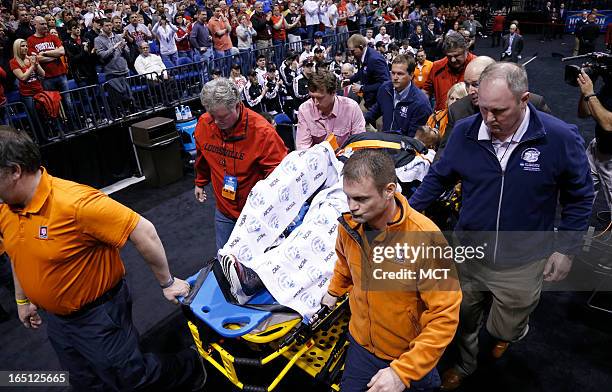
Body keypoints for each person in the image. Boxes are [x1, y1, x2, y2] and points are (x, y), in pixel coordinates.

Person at [409, 63, 594, 391]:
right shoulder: (466, 131)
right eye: (483, 109)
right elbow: (439, 177)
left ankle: (509, 332)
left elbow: (580, 198)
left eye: (498, 111)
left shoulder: (560, 138)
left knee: (504, 329)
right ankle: (466, 366)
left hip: (523, 260)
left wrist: (566, 249)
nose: (489, 119)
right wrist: (407, 214)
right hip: (469, 252)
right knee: (462, 320)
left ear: (524, 100)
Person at [0, 126, 206, 391]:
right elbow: (19, 254)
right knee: (84, 381)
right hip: (58, 321)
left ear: (15, 171)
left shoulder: (75, 203)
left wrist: (167, 283)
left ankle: (191, 364)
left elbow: (143, 230)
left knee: (131, 378)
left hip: (98, 315)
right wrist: (22, 299)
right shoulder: (6, 209)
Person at [321, 148, 462, 392]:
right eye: (348, 197)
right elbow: (344, 263)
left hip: (408, 352)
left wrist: (402, 371)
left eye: (361, 199)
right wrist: (334, 290)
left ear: (389, 191)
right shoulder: (349, 226)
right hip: (361, 346)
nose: (352, 207)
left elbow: (444, 315)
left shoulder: (425, 238)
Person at [194, 78, 287, 250]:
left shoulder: (262, 131)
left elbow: (280, 175)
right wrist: (200, 182)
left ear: (237, 105)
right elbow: (202, 157)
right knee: (226, 261)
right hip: (224, 210)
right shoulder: (204, 123)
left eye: (221, 117)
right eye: (211, 115)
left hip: (258, 213)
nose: (215, 122)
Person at [438, 57, 551, 158]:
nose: (470, 91)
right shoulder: (458, 110)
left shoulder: (533, 103)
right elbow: (444, 155)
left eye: (476, 84)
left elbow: (552, 142)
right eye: (467, 84)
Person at [365, 55, 432, 137]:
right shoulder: (385, 89)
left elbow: (413, 140)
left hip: (403, 147)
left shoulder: (421, 103)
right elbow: (375, 110)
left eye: (400, 74)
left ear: (411, 75)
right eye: (393, 73)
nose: (395, 77)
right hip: (384, 141)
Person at [296, 69, 366, 149]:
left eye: (320, 98)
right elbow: (303, 149)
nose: (315, 103)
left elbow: (359, 145)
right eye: (312, 97)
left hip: (347, 159)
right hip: (316, 159)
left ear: (333, 92)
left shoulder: (352, 108)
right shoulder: (305, 110)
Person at [578, 69, 612, 220]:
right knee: (580, 195)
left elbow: (608, 124)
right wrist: (585, 91)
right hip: (597, 148)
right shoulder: (609, 86)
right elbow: (583, 113)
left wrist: (590, 93)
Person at [424, 32, 475, 111]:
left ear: (466, 50)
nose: (453, 60)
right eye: (449, 56)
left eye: (456, 55)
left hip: (470, 119)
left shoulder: (477, 66)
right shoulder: (437, 66)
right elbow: (426, 91)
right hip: (442, 119)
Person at [347, 33, 391, 109]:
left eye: (352, 51)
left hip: (379, 102)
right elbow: (362, 71)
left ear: (360, 47)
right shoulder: (361, 55)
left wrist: (362, 88)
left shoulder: (375, 59)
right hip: (368, 98)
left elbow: (385, 83)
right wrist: (350, 80)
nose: (351, 54)